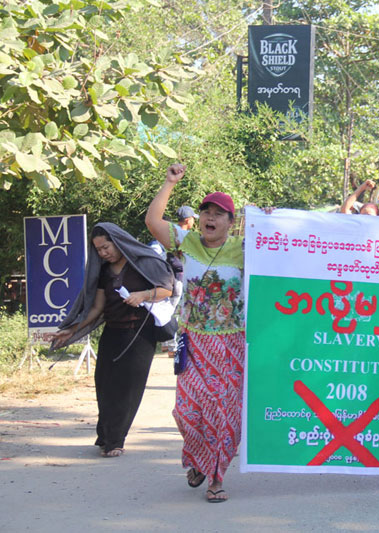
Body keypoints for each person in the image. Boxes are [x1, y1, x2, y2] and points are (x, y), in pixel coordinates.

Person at [145, 163, 248, 503]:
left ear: (231, 223)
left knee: (224, 416)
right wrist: (169, 182)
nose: (211, 217)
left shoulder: (246, 249)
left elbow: (287, 249)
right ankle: (200, 458)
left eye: (220, 214)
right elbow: (152, 222)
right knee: (186, 412)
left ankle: (216, 479)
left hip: (231, 343)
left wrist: (271, 219)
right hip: (193, 343)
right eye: (206, 211)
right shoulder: (186, 241)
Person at [52, 223, 174, 458]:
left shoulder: (144, 262)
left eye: (106, 247)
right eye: (98, 250)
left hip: (139, 334)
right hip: (112, 332)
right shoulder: (104, 272)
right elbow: (97, 308)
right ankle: (105, 436)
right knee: (104, 385)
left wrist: (143, 295)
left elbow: (166, 290)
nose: (103, 253)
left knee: (127, 389)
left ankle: (116, 441)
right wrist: (72, 330)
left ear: (118, 241)